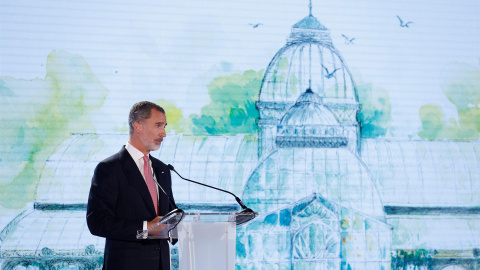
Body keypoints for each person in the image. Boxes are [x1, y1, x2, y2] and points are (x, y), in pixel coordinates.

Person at [87, 101, 176, 270]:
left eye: (164, 126)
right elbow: (97, 222)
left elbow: (170, 215)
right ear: (138, 126)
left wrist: (184, 227)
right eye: (158, 126)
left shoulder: (163, 169)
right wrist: (145, 228)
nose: (163, 133)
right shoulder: (110, 168)